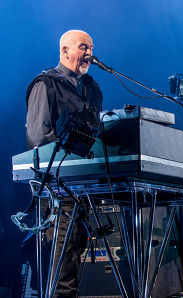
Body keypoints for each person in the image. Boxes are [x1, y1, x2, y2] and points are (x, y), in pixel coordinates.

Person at [25, 30, 102, 297]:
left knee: (76, 249)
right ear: (65, 51)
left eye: (91, 47)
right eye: (83, 47)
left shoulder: (92, 87)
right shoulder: (45, 84)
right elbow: (38, 138)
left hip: (85, 187)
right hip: (56, 187)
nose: (89, 53)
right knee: (62, 257)